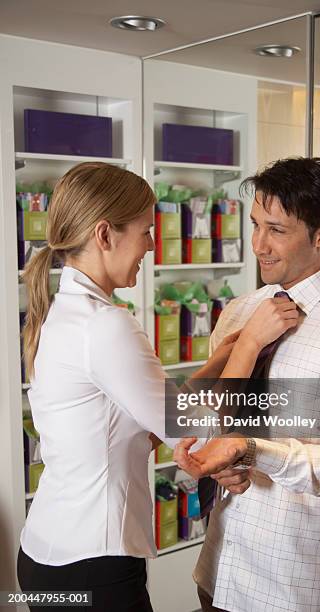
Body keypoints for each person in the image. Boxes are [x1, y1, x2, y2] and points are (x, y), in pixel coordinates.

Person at [17, 162, 299, 612]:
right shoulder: (105, 326)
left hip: (45, 556)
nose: (152, 245)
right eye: (146, 231)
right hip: (93, 568)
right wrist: (249, 344)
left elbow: (146, 405)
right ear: (105, 234)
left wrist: (219, 360)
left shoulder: (67, 311)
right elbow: (200, 432)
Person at [174, 157, 320, 612]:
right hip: (218, 566)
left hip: (289, 584)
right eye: (256, 224)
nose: (259, 243)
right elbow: (206, 418)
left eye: (277, 230)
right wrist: (216, 453)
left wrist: (254, 451)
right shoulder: (238, 312)